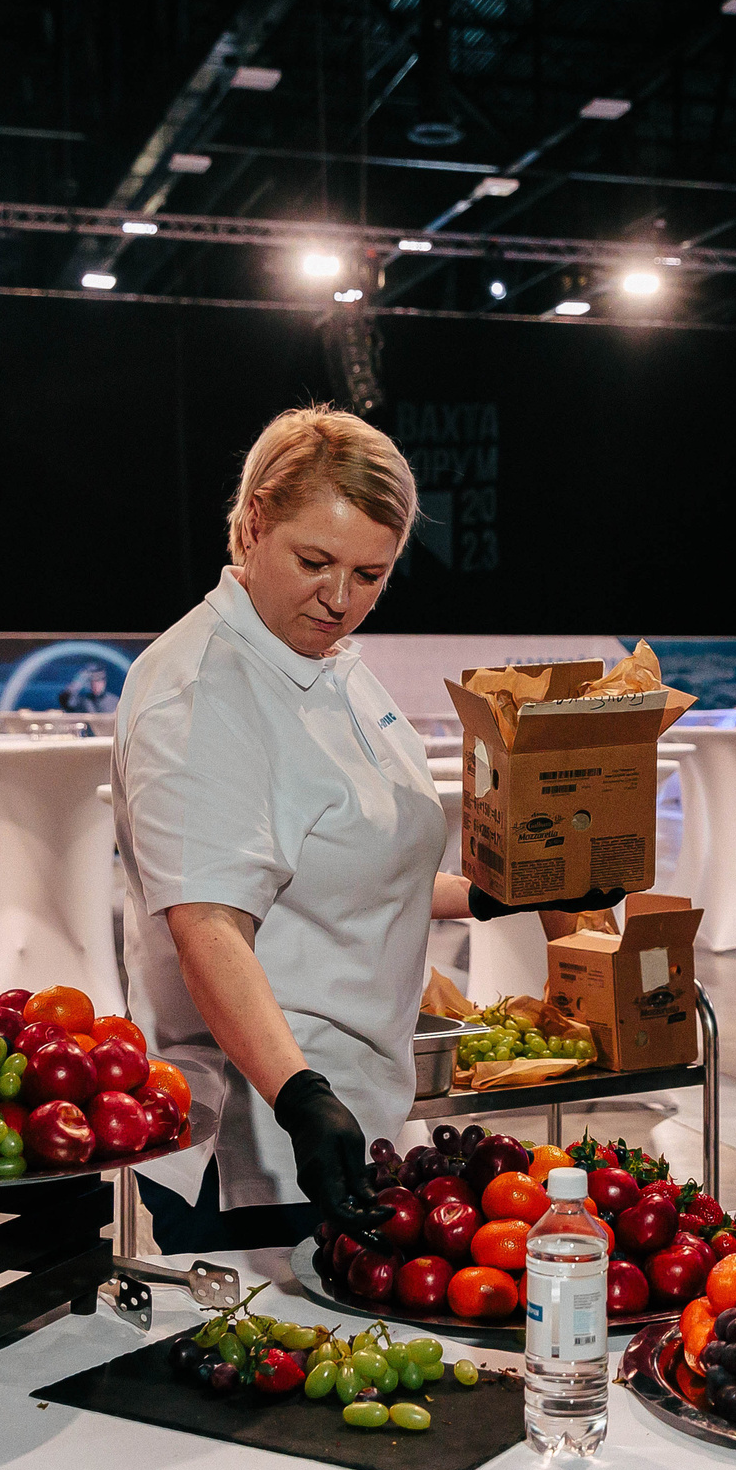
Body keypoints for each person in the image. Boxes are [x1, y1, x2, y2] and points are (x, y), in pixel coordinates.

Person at [113, 405, 621, 1253]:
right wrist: (300, 1095)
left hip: (367, 1111)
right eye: (315, 562)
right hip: (268, 1146)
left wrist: (497, 895)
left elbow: (348, 872)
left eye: (371, 574)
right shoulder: (199, 692)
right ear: (252, 523)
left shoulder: (335, 668)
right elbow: (209, 926)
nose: (341, 599)